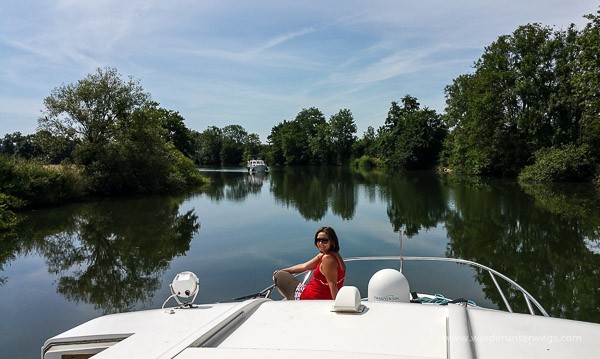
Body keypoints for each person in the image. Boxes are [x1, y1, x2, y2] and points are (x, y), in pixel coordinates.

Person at [272, 226, 346, 300]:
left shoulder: (328, 259)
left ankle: (291, 300)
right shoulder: (334, 254)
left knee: (277, 275)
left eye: (324, 240)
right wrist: (285, 271)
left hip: (308, 297)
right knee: (282, 273)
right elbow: (304, 266)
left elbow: (332, 284)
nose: (320, 243)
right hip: (314, 292)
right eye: (318, 240)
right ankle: (289, 298)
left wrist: (335, 305)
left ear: (332, 241)